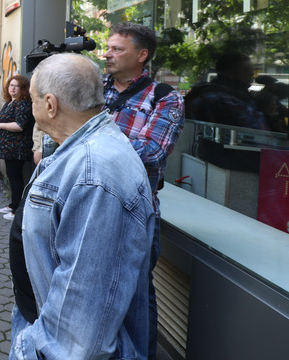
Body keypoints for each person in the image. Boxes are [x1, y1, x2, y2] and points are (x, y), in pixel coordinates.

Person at [9, 53, 155, 360]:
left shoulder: (95, 174)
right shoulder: (78, 151)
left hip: (50, 345)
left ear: (50, 105)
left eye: (33, 98)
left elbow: (78, 334)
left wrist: (31, 348)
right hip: (41, 326)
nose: (31, 105)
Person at [102, 22, 185, 360]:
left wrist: (89, 142)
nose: (107, 54)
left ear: (142, 55)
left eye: (117, 49)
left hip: (134, 212)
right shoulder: (93, 87)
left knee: (135, 297)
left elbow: (152, 151)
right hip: (89, 205)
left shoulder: (166, 97)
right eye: (107, 48)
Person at [0, 75, 34, 220]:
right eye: (11, 85)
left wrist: (0, 125)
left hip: (17, 148)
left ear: (23, 89)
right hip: (9, 148)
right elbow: (5, 119)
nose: (13, 88)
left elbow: (19, 125)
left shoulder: (23, 104)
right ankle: (13, 204)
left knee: (15, 177)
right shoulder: (10, 102)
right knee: (12, 176)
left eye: (16, 86)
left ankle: (17, 210)